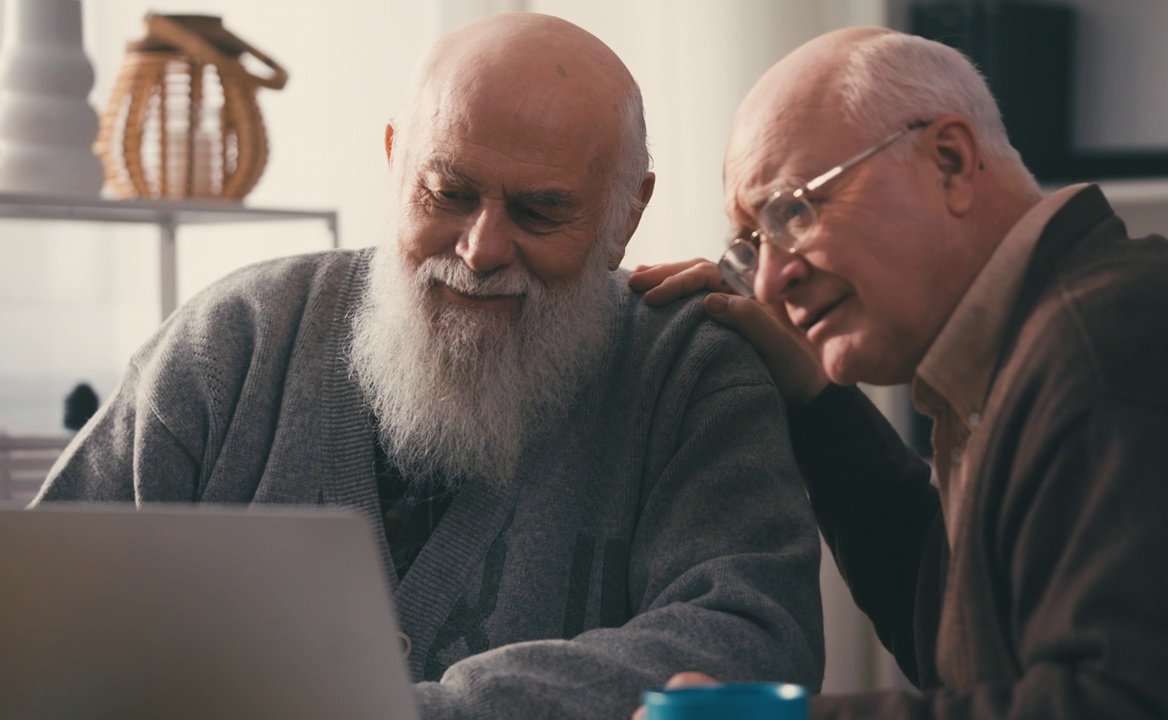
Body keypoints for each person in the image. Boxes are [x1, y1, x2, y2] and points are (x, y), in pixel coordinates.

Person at [34, 13, 826, 719]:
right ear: (393, 158)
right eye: (448, 192)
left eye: (540, 210)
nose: (480, 250)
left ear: (628, 213)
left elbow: (752, 643)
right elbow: (41, 609)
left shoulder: (691, 372)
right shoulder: (230, 341)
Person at [632, 26, 1168, 719]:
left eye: (794, 209)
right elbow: (958, 631)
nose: (768, 282)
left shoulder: (1114, 355)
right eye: (752, 243)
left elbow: (1138, 705)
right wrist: (814, 400)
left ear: (948, 160)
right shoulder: (1045, 347)